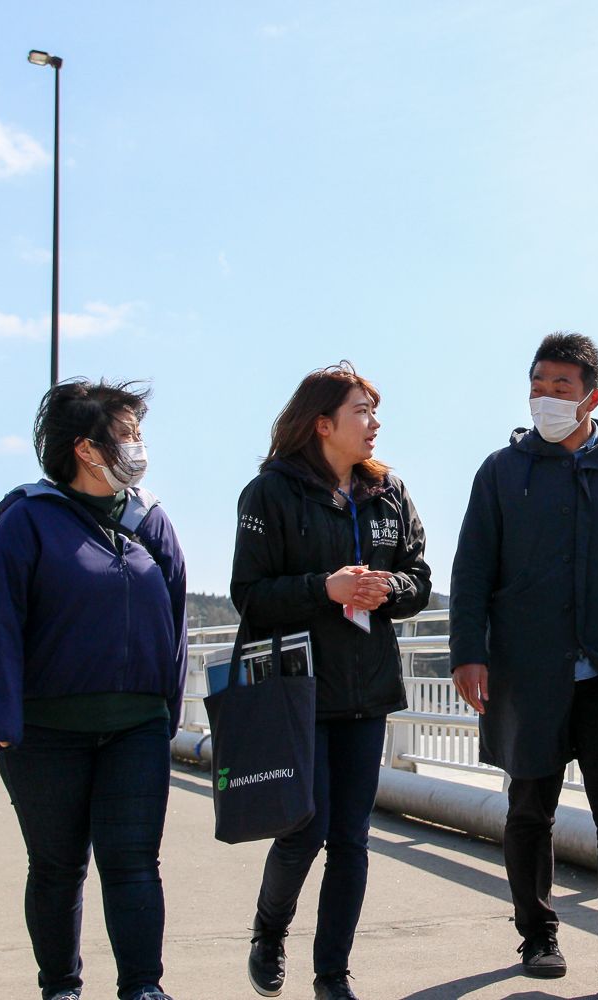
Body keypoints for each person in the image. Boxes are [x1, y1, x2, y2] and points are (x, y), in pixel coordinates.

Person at [449, 333, 598, 999]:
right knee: (528, 809)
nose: (545, 396)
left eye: (560, 387)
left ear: (592, 396)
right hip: (527, 669)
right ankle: (537, 932)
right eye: (537, 384)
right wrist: (467, 653)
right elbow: (473, 567)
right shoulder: (500, 471)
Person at [0, 379, 186, 1000]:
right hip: (43, 731)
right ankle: (61, 986)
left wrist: (164, 709)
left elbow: (175, 622)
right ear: (87, 450)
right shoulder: (27, 522)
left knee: (133, 862)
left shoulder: (151, 521)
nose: (138, 448)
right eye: (127, 435)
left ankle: (143, 988)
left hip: (136, 727)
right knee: (58, 867)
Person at [231, 362, 432, 1000]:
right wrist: (327, 588)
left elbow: (419, 578)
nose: (375, 425)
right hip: (297, 689)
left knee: (351, 839)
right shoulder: (268, 493)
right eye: (362, 413)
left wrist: (388, 588)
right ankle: (269, 932)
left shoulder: (389, 492)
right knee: (305, 830)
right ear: (323, 424)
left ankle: (332, 974)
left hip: (366, 689)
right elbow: (250, 596)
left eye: (374, 412)